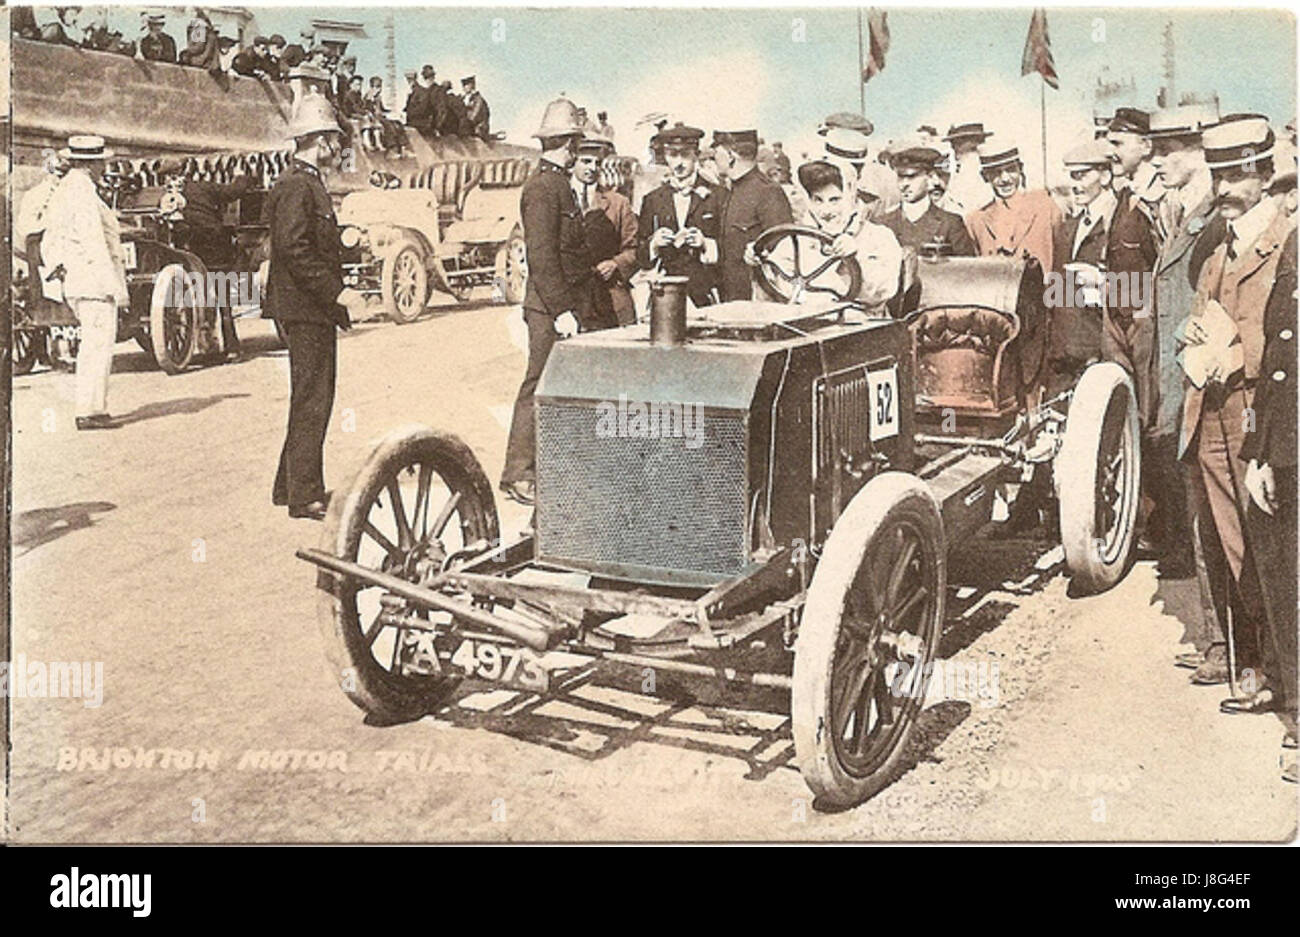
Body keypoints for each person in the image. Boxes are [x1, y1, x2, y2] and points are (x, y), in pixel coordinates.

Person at [1177, 116, 1293, 692]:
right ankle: (1251, 660)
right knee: (1226, 543)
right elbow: (1204, 314)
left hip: (1259, 415)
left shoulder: (1285, 242)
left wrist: (1242, 359)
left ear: (1264, 174)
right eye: (1218, 175)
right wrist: (1190, 336)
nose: (1224, 188)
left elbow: (1285, 335)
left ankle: (1279, 670)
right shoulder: (1217, 246)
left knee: (1267, 546)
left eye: (1237, 176)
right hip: (1211, 412)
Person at [265, 96, 364, 520]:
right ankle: (305, 495)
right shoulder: (297, 184)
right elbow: (293, 247)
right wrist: (335, 293)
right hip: (306, 308)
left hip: (308, 307)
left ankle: (290, 485)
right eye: (332, 139)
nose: (335, 147)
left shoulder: (305, 182)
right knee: (313, 398)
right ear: (319, 141)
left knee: (309, 395)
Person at [1142, 105, 1222, 585]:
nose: (1156, 162)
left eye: (1166, 152)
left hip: (1199, 368)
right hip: (1177, 365)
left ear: (1197, 150)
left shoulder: (1212, 214)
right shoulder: (1181, 210)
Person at [500, 98, 591, 506]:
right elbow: (542, 257)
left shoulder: (556, 185)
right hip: (548, 308)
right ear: (568, 144)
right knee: (538, 384)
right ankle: (518, 473)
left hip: (556, 305)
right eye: (575, 144)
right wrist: (562, 311)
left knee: (552, 385)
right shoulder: (542, 188)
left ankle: (542, 469)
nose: (576, 152)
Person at [1238, 216, 1297, 782]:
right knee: (1288, 587)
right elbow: (1277, 366)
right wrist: (1260, 452)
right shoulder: (1297, 242)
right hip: (1288, 449)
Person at [41, 135, 129, 431]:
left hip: (80, 279)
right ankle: (89, 410)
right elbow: (94, 243)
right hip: (93, 281)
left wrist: (60, 268)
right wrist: (115, 287)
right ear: (91, 163)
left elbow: (49, 240)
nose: (104, 166)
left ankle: (93, 407)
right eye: (102, 161)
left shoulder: (68, 189)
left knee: (94, 344)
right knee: (97, 344)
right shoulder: (82, 192)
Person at [753, 157, 901, 308]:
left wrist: (855, 257)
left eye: (834, 199)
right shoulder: (798, 240)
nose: (826, 211)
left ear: (851, 196)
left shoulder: (879, 237)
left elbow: (880, 293)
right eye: (818, 200)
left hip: (859, 322)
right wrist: (760, 261)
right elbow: (778, 288)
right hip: (803, 320)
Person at [636, 123, 724, 308]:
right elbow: (640, 255)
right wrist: (654, 244)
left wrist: (706, 244)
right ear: (665, 157)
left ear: (696, 156)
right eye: (673, 155)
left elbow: (731, 249)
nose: (679, 162)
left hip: (705, 293)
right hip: (666, 295)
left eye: (685, 154)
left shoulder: (718, 196)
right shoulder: (653, 200)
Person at [713, 128, 793, 301]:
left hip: (758, 302)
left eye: (716, 152)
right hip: (731, 298)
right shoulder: (732, 190)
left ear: (730, 155)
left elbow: (784, 253)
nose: (714, 158)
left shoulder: (768, 192)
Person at [573, 133, 638, 327]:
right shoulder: (561, 200)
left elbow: (634, 248)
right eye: (585, 161)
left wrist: (616, 264)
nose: (592, 168)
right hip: (574, 301)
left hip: (611, 296)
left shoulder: (618, 203)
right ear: (573, 162)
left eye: (597, 163)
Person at [965, 144, 1060, 276]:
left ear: (1020, 169)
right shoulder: (975, 220)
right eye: (996, 172)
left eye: (1010, 170)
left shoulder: (1045, 207)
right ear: (985, 176)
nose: (1005, 179)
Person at [878, 139, 975, 256]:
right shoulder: (882, 224)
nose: (903, 184)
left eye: (912, 177)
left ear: (930, 179)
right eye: (900, 177)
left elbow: (968, 270)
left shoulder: (950, 224)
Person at [941, 122, 996, 217]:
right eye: (954, 145)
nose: (955, 149)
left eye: (957, 144)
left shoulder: (976, 168)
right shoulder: (958, 173)